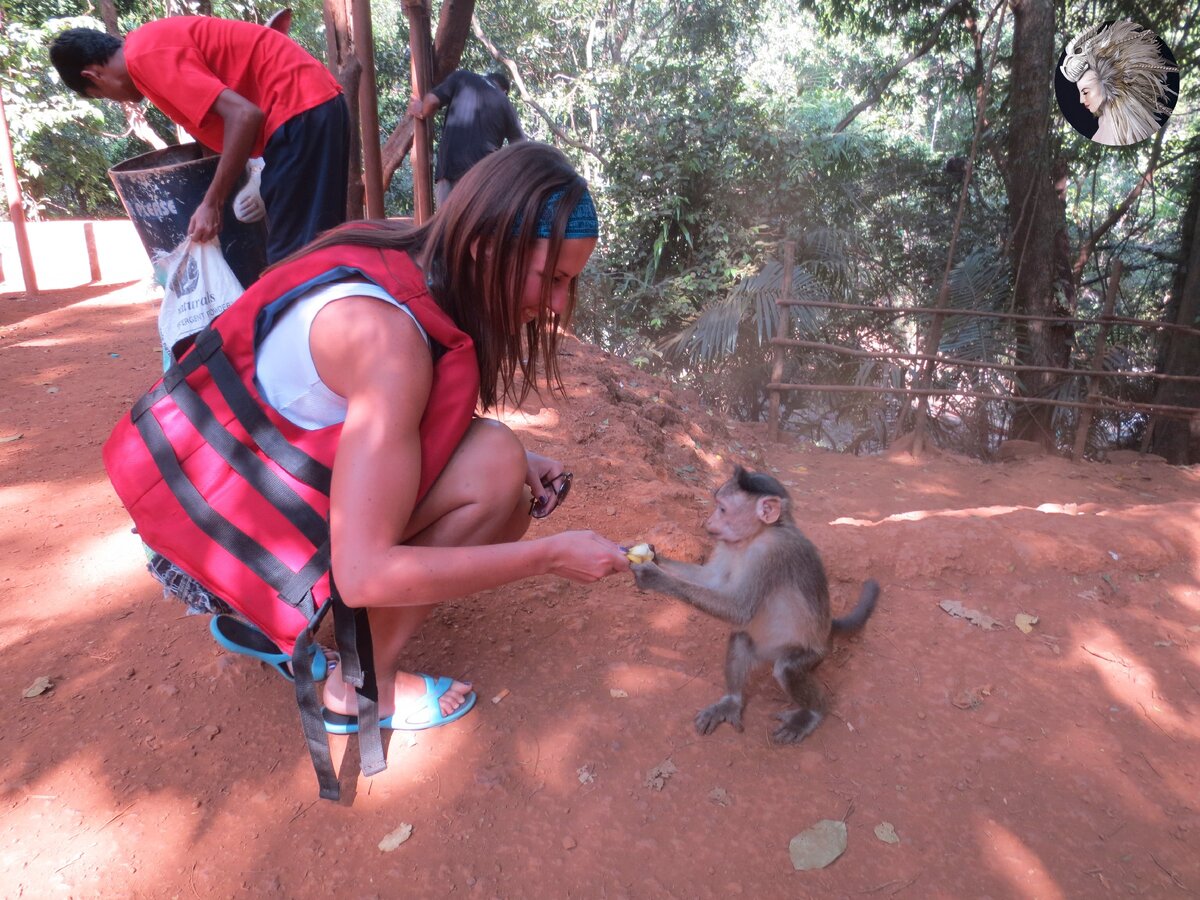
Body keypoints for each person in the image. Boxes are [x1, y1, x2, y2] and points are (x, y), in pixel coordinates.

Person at [103, 143, 626, 792]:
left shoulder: (401, 248)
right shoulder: (384, 340)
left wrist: (528, 452)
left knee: (502, 452)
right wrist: (548, 557)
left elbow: (359, 416)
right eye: (551, 279)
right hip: (210, 540)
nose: (556, 304)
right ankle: (355, 691)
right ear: (487, 247)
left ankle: (256, 622)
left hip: (198, 493)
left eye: (569, 282)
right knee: (494, 474)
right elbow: (366, 570)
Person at [49, 17, 351, 265]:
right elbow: (216, 132)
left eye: (101, 96)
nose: (115, 101)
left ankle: (313, 334)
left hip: (299, 110)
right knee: (312, 246)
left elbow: (245, 116)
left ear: (94, 75)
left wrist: (212, 203)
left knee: (295, 258)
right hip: (308, 109)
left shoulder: (145, 57)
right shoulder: (146, 49)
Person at [408, 70, 524, 205]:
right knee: (476, 225)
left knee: (446, 224)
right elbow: (521, 146)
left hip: (449, 170)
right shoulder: (505, 103)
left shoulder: (463, 77)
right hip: (483, 176)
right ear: (504, 90)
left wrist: (422, 110)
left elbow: (433, 101)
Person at [1060, 21, 1179, 146]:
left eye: (1085, 92)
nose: (1081, 100)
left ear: (1108, 81)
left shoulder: (1130, 133)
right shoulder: (1102, 121)